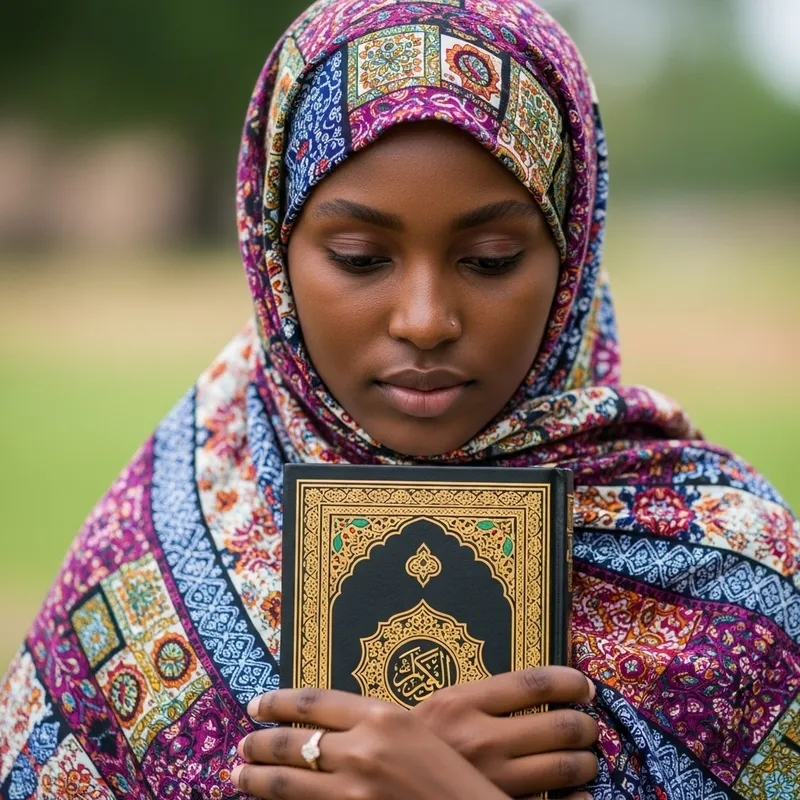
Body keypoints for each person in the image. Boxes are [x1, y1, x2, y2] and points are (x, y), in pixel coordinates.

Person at [1, 0, 798, 797]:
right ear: (275, 254)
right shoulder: (150, 562)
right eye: (358, 257)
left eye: (489, 260)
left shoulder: (739, 590)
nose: (424, 321)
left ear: (571, 257)